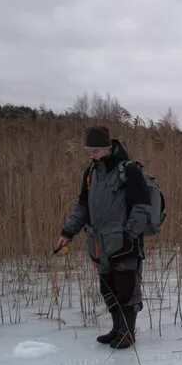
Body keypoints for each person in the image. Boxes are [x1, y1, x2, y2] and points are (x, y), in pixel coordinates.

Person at [55, 126, 151, 349]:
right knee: (107, 288)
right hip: (99, 243)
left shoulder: (129, 171)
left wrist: (129, 235)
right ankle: (116, 329)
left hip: (124, 243)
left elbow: (142, 207)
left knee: (127, 288)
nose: (91, 155)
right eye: (89, 151)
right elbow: (82, 207)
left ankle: (127, 333)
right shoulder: (91, 173)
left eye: (95, 151)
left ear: (108, 148)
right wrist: (67, 232)